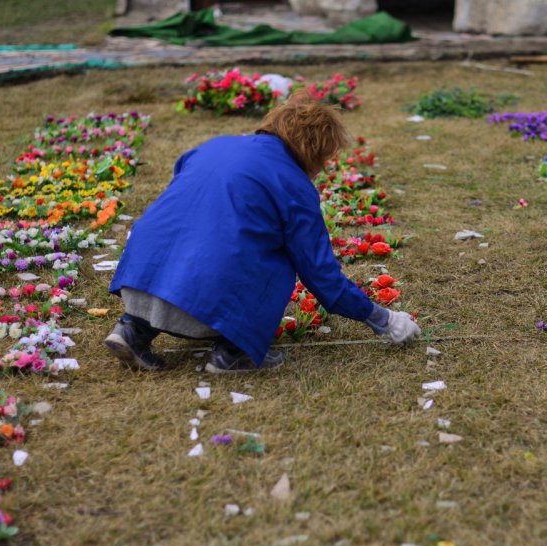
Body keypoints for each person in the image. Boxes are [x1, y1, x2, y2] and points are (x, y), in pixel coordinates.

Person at [104, 93, 421, 373]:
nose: (324, 167)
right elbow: (321, 276)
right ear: (313, 150)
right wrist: (384, 320)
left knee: (198, 233)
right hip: (200, 299)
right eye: (325, 158)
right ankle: (233, 352)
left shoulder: (214, 145)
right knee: (278, 254)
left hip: (140, 277)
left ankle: (133, 329)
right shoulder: (294, 186)